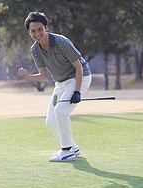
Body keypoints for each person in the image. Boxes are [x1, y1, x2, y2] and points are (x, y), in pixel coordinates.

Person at [18, 11, 92, 162]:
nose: (37, 34)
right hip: (61, 83)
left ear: (46, 27)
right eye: (33, 31)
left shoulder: (61, 42)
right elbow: (44, 76)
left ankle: (66, 151)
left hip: (79, 77)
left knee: (60, 111)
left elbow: (78, 67)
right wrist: (29, 76)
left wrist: (77, 91)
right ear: (29, 32)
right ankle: (73, 148)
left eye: (40, 29)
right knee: (50, 121)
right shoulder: (35, 50)